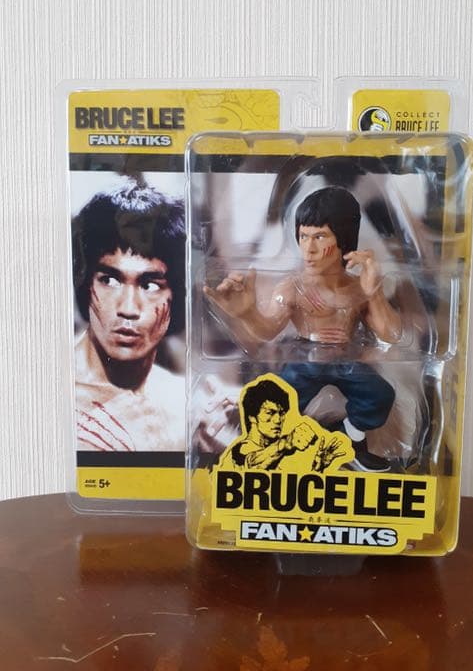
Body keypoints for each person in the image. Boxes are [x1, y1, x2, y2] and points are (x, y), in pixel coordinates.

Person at [205, 187, 401, 471]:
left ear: (343, 238)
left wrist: (375, 292)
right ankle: (267, 452)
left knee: (379, 395)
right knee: (276, 401)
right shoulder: (292, 287)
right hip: (306, 360)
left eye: (320, 237)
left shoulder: (357, 289)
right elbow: (268, 329)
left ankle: (350, 439)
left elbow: (391, 334)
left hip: (345, 359)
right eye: (304, 236)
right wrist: (246, 313)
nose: (309, 248)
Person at [72, 179, 186, 451]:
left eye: (150, 285)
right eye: (110, 280)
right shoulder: (50, 395)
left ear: (177, 297)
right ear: (85, 284)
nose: (128, 309)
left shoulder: (181, 400)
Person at [219, 376, 349, 472]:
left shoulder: (289, 454)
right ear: (252, 417)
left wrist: (320, 465)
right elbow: (250, 464)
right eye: (270, 413)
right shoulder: (239, 453)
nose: (277, 420)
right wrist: (285, 443)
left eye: (280, 413)